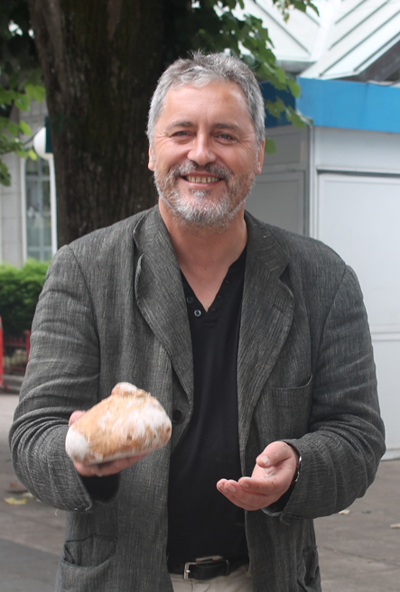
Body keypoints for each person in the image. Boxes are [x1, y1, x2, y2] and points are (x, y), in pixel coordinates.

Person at [9, 52, 385, 592]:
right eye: (181, 132)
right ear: (151, 151)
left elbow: (359, 435)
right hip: (121, 579)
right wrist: (76, 456)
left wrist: (300, 466)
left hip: (264, 578)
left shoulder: (322, 279)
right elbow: (31, 434)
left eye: (225, 135)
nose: (201, 153)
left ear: (257, 154)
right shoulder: (83, 270)